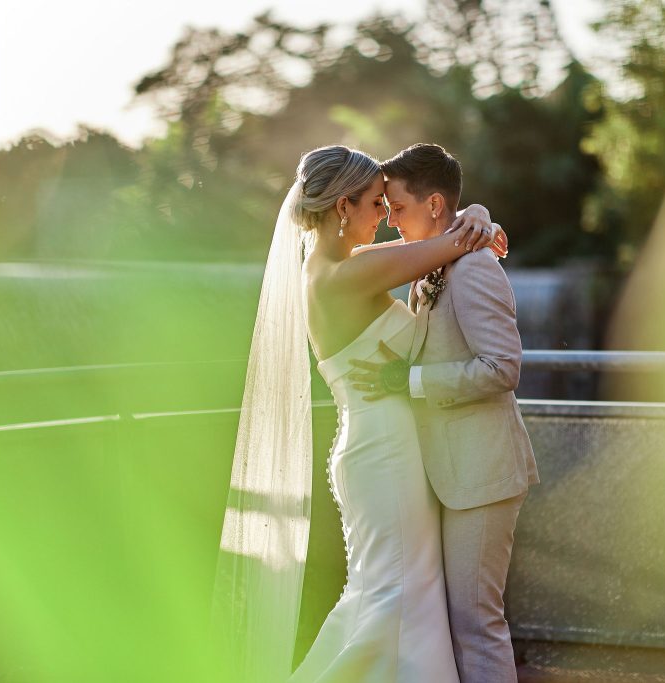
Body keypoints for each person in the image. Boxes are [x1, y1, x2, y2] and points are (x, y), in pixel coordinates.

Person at [214, 144, 503, 683]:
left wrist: (479, 221)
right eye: (376, 203)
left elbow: (451, 239)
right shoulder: (348, 275)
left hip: (375, 445)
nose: (387, 217)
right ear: (344, 207)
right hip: (385, 453)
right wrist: (481, 221)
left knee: (389, 593)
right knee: (399, 595)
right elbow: (455, 240)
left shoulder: (330, 270)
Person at [350, 143, 539, 683]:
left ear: (435, 206)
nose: (392, 223)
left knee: (477, 622)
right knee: (456, 621)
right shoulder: (436, 262)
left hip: (481, 473)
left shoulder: (475, 268)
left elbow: (503, 367)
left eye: (399, 209)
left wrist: (406, 381)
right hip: (444, 469)